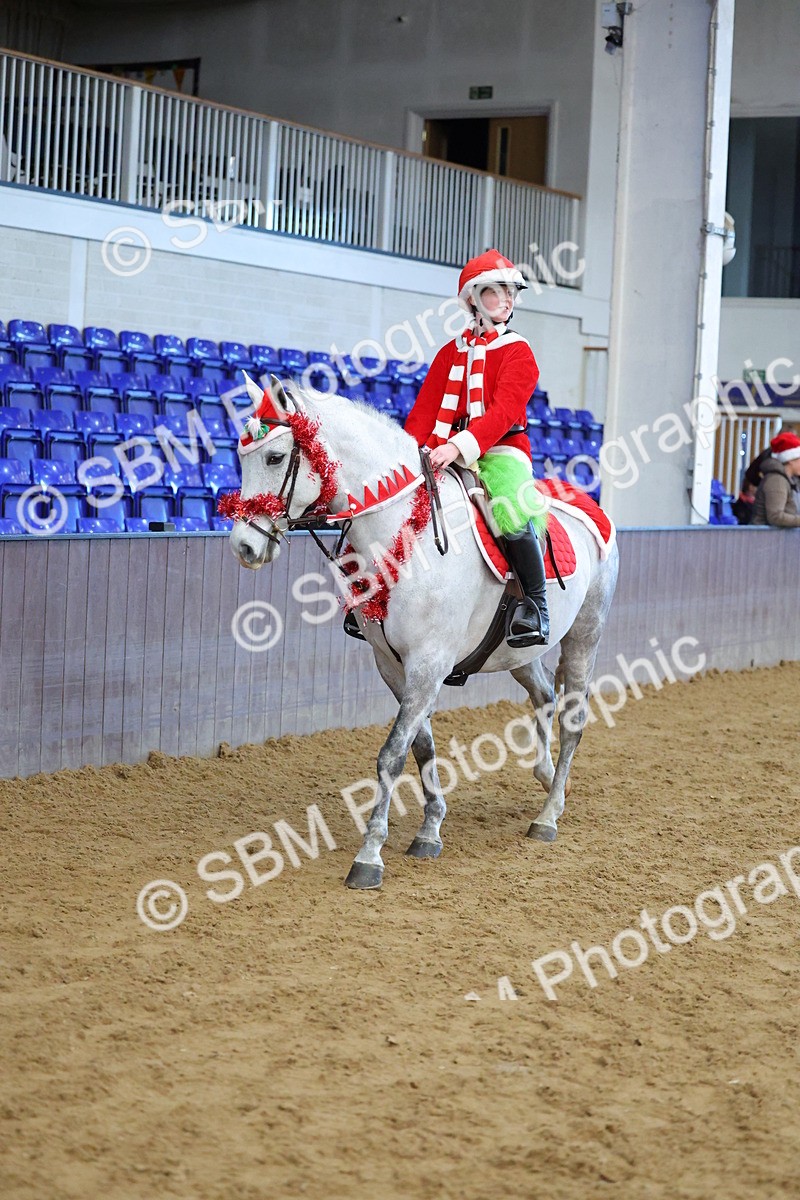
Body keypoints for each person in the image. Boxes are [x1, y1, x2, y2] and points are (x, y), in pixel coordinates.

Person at [403, 250, 549, 647]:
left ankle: (536, 606)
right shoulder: (451, 353)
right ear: (472, 299)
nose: (507, 299)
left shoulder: (519, 351)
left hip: (502, 449)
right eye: (495, 291)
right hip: (444, 447)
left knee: (510, 507)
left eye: (511, 292)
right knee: (403, 503)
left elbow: (504, 413)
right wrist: (411, 456)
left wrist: (457, 447)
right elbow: (423, 413)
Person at [751, 431, 800, 528]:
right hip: (765, 540)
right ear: (790, 460)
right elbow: (776, 516)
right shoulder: (777, 481)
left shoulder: (787, 480)